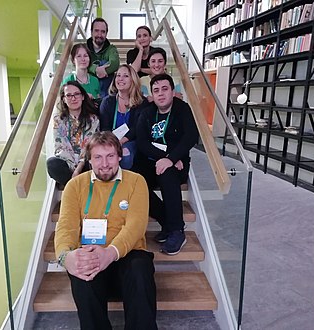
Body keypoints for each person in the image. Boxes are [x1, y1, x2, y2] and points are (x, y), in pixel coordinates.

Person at [55, 131, 157, 330]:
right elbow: (66, 227)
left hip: (126, 257)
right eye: (98, 157)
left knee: (139, 267)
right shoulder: (75, 186)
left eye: (110, 156)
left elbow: (135, 226)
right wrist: (65, 257)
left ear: (119, 156)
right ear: (89, 160)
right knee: (81, 269)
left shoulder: (136, 181)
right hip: (92, 255)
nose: (105, 164)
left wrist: (109, 253)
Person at [135, 74, 198, 255]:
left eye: (165, 89)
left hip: (175, 164)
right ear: (152, 95)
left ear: (172, 91)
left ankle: (177, 231)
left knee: (167, 173)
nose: (160, 94)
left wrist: (171, 159)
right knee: (135, 181)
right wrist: (167, 156)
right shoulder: (147, 112)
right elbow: (142, 142)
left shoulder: (182, 109)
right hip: (153, 160)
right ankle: (167, 222)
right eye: (156, 90)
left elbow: (191, 136)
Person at [46, 81, 100, 186]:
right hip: (68, 162)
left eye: (76, 94)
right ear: (64, 99)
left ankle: (73, 186)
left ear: (83, 97)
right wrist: (73, 168)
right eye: (69, 95)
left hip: (85, 162)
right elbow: (61, 145)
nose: (73, 98)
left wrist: (78, 169)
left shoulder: (93, 119)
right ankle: (76, 186)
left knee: (95, 163)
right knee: (52, 164)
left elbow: (89, 146)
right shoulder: (58, 120)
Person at [99, 64, 149, 169]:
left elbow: (137, 128)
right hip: (110, 140)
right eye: (118, 75)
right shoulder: (107, 101)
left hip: (132, 140)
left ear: (133, 80)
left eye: (125, 76)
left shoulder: (142, 102)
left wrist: (121, 141)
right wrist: (113, 142)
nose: (120, 79)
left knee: (125, 155)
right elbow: (105, 128)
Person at [87, 18, 120, 98]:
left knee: (104, 64)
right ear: (91, 32)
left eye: (103, 31)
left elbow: (115, 64)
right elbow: (78, 63)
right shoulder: (84, 48)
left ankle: (103, 100)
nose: (99, 35)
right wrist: (95, 69)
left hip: (106, 89)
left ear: (106, 33)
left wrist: (101, 70)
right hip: (88, 88)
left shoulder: (111, 49)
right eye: (96, 31)